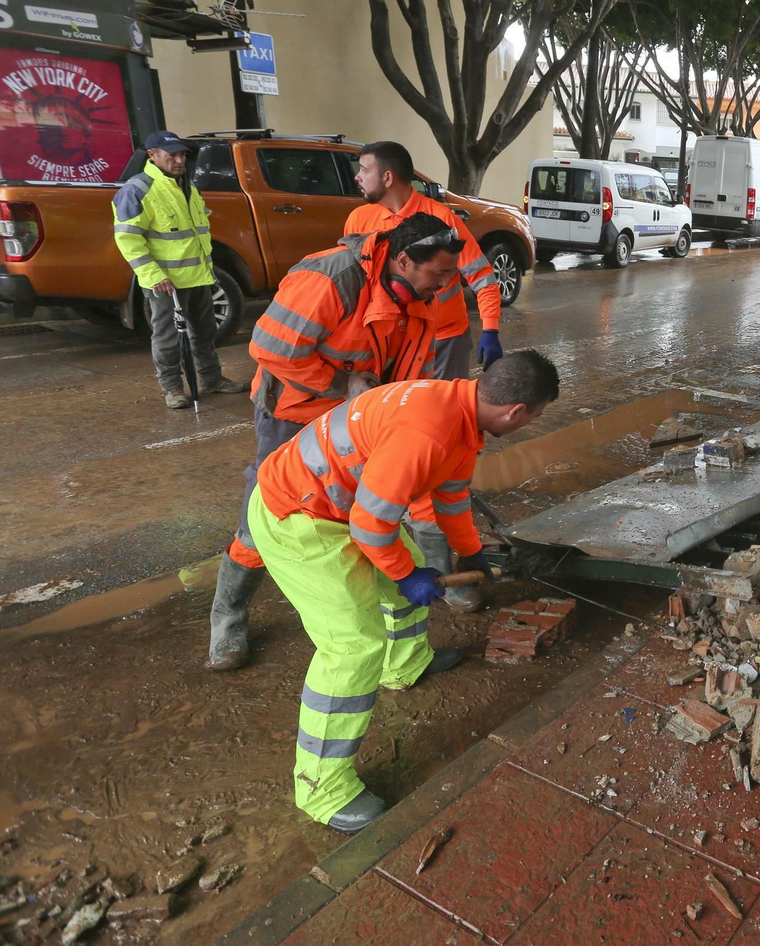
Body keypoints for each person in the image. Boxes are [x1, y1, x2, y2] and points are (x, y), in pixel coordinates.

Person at [246, 350, 559, 832]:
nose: (528, 424)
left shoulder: (460, 411)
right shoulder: (428, 431)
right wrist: (406, 575)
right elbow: (371, 527)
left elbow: (450, 496)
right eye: (534, 417)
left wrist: (470, 551)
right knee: (354, 647)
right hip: (298, 518)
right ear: (516, 411)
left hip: (340, 509)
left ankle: (405, 665)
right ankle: (321, 788)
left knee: (403, 584)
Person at [207, 212, 466, 672]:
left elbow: (415, 370)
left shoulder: (423, 296)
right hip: (296, 415)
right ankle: (227, 620)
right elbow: (270, 348)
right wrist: (342, 384)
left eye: (451, 274)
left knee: (364, 514)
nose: (446, 284)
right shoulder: (331, 279)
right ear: (405, 261)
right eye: (439, 273)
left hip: (361, 422)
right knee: (269, 516)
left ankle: (394, 644)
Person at [344, 141, 504, 577]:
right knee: (396, 428)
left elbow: (483, 277)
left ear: (388, 176)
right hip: (390, 338)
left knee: (440, 432)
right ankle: (392, 512)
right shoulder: (360, 220)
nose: (357, 177)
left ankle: (435, 527)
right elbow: (359, 282)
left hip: (444, 340)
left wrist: (490, 328)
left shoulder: (442, 221)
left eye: (364, 169)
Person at [110, 131, 247, 407]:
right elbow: (128, 239)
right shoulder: (138, 189)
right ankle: (172, 388)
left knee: (205, 333)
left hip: (198, 276)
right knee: (168, 338)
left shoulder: (188, 187)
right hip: (166, 283)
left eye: (182, 154)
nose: (179, 160)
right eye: (172, 155)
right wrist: (153, 275)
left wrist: (208, 271)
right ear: (153, 155)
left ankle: (211, 379)